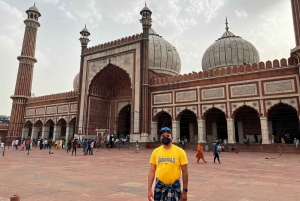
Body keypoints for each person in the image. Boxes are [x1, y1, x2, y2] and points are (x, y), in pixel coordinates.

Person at [148, 127, 188, 201]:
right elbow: (152, 171)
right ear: (160, 138)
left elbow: (185, 173)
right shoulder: (155, 152)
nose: (165, 137)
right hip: (159, 185)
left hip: (174, 186)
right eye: (163, 136)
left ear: (172, 137)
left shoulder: (180, 152)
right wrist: (149, 190)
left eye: (168, 136)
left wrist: (184, 191)